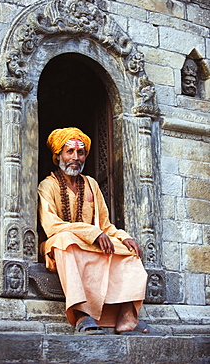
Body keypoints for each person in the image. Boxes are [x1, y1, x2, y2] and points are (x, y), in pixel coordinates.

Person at [38, 127, 164, 335]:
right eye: (69, 152)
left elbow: (105, 226)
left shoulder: (91, 184)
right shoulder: (47, 185)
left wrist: (124, 237)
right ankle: (81, 315)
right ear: (58, 155)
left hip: (91, 241)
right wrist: (91, 233)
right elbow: (51, 225)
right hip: (58, 244)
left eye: (81, 153)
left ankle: (127, 318)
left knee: (129, 251)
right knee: (65, 239)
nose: (75, 158)